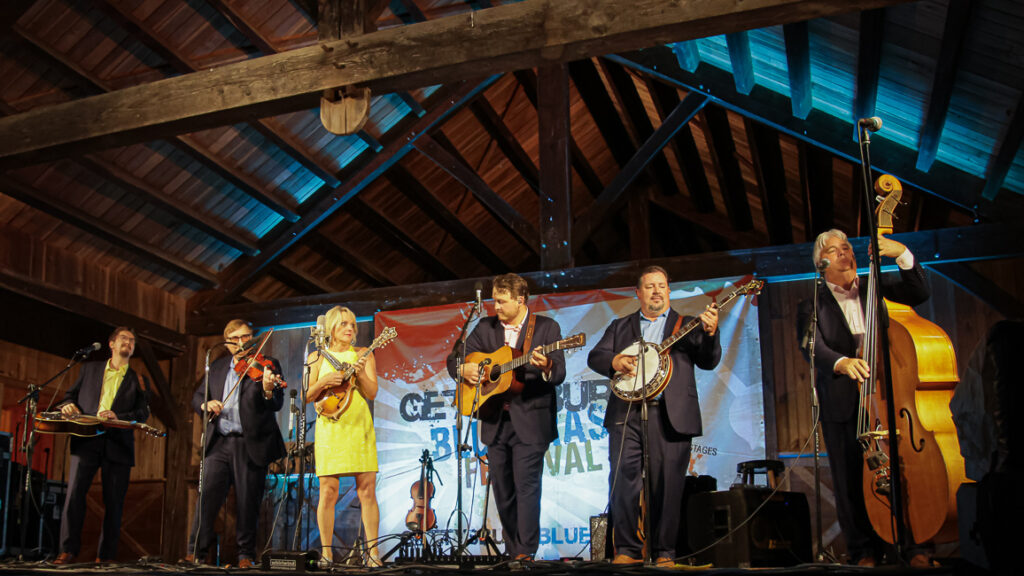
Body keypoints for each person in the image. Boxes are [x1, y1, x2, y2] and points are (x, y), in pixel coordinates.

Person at [796, 229, 930, 567]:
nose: (845, 253)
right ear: (820, 263)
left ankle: (913, 547)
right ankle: (863, 551)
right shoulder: (812, 302)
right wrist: (842, 362)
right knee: (849, 478)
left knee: (902, 474)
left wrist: (901, 253)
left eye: (847, 248)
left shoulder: (876, 287)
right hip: (842, 400)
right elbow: (812, 345)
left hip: (888, 397)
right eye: (834, 250)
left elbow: (919, 291)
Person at [587, 265, 719, 567]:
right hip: (626, 414)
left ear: (669, 292)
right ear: (638, 293)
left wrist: (711, 333)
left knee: (668, 485)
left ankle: (664, 552)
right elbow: (596, 356)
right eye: (649, 286)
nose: (656, 290)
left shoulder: (686, 324)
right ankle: (627, 550)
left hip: (671, 415)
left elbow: (708, 361)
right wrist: (616, 359)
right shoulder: (620, 327)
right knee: (623, 481)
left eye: (662, 285)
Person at [445, 273, 566, 561]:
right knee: (502, 489)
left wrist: (546, 363)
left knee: (527, 487)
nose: (495, 306)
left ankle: (525, 552)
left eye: (501, 301)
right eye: (494, 300)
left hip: (531, 421)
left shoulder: (547, 328)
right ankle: (513, 551)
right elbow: (455, 359)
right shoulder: (484, 328)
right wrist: (464, 371)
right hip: (494, 420)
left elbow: (558, 372)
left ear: (520, 300)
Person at [188, 319, 286, 569]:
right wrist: (205, 405)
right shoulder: (218, 366)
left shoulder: (267, 364)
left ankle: (245, 555)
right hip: (219, 442)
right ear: (228, 341)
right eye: (237, 339)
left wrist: (266, 389)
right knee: (206, 498)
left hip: (248, 443)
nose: (243, 343)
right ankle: (195, 553)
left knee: (248, 502)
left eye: (247, 337)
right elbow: (199, 395)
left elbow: (276, 402)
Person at [54, 327, 150, 564]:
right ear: (112, 344)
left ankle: (105, 557)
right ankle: (67, 551)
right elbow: (69, 397)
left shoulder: (139, 379)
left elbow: (143, 413)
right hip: (86, 440)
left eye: (132, 341)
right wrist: (66, 406)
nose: (129, 343)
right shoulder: (89, 369)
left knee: (114, 503)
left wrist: (118, 415)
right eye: (124, 339)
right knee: (74, 496)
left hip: (118, 445)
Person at [305, 306, 381, 567]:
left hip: (359, 425)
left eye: (352, 325)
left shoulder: (363, 354)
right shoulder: (317, 356)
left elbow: (372, 392)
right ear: (331, 329)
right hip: (331, 427)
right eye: (343, 325)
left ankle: (373, 554)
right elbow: (306, 395)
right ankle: (326, 553)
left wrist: (359, 375)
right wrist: (324, 380)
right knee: (328, 491)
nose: (350, 329)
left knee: (367, 490)